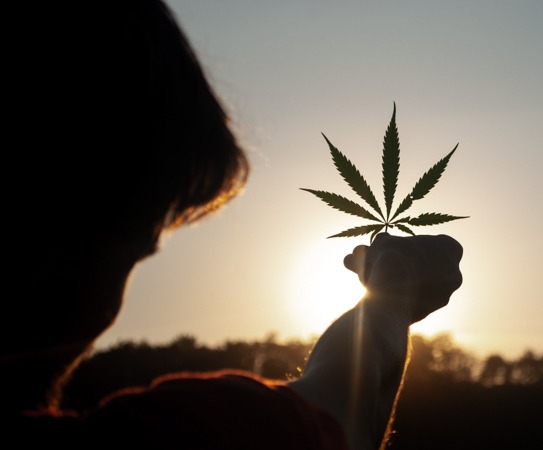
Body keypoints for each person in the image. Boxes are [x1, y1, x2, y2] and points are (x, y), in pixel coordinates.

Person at [3, 1, 463, 449]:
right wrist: (394, 289)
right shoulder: (177, 435)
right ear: (59, 252)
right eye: (134, 250)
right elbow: (347, 403)